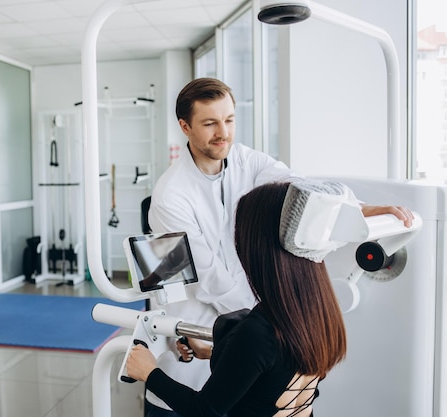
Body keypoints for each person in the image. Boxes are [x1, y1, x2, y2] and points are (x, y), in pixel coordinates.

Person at [144, 77, 414, 416]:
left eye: (229, 120)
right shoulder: (171, 195)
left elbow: (301, 191)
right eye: (210, 123)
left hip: (241, 346)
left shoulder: (247, 161)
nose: (223, 132)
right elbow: (208, 278)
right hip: (198, 335)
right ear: (185, 126)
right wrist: (268, 331)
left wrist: (360, 209)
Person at [126, 181, 348, 417]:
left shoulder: (260, 331)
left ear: (258, 247)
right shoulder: (319, 311)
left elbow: (203, 410)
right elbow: (274, 374)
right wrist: (219, 353)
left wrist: (149, 372)